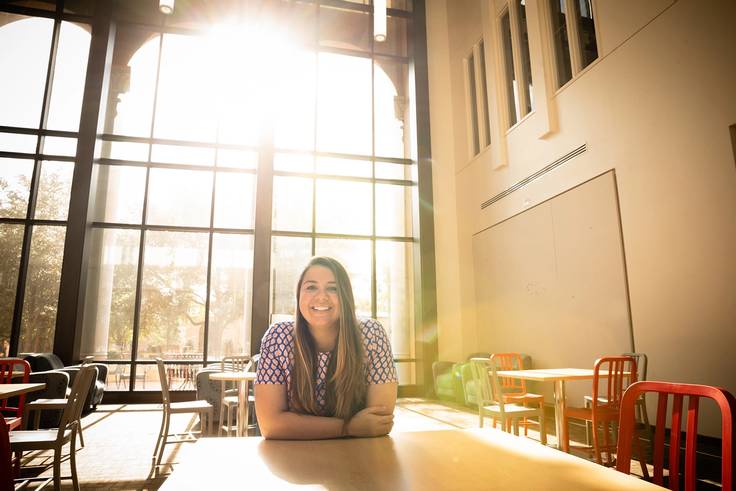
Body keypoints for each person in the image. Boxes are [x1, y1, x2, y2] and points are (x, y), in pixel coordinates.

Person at [255, 256, 398, 439]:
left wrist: (296, 425)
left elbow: (379, 422)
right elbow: (270, 425)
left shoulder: (372, 334)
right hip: (293, 457)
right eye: (311, 287)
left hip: (357, 456)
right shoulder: (276, 338)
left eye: (333, 288)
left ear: (345, 296)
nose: (321, 297)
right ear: (299, 295)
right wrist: (347, 428)